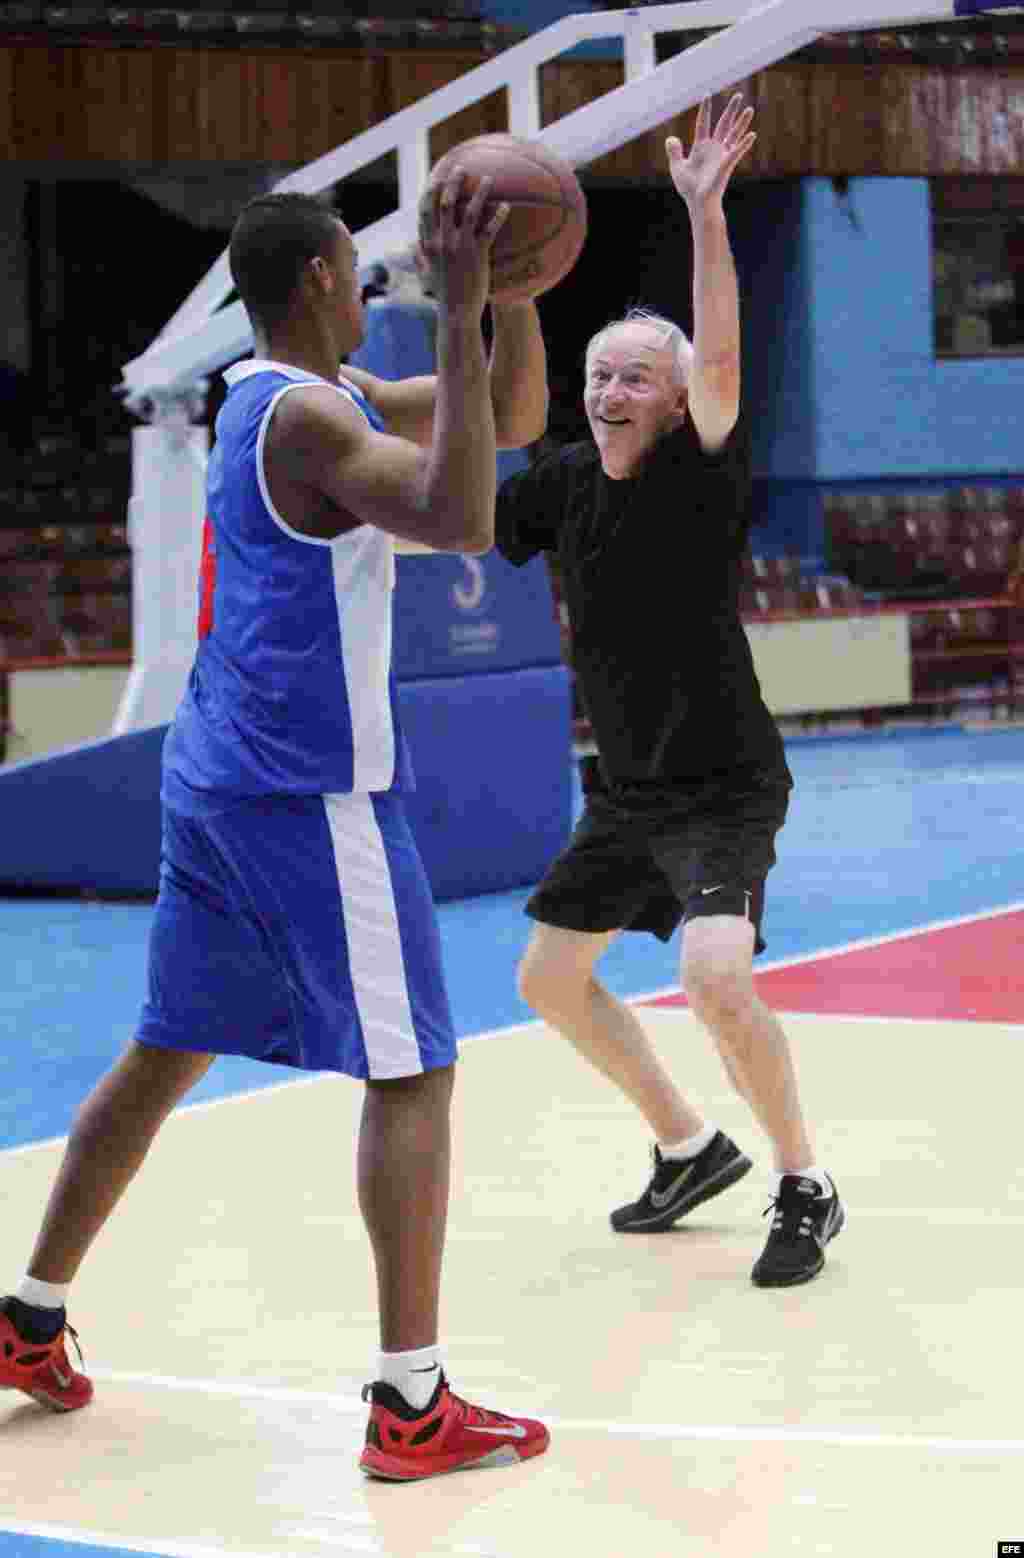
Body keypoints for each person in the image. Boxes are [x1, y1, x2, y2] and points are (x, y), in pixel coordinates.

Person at [0, 182, 552, 1480]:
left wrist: (511, 301)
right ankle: (412, 1403)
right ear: (311, 281)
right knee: (413, 1069)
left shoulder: (306, 400)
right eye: (356, 269)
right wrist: (467, 306)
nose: (372, 286)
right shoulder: (306, 419)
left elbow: (511, 420)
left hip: (216, 776)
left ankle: (29, 1314)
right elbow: (462, 514)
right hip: (306, 791)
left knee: (164, 1051)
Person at [495, 96, 845, 1288]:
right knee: (547, 978)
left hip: (723, 784)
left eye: (637, 376)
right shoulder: (557, 484)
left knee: (712, 970)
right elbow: (456, 518)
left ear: (678, 395)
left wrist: (703, 211)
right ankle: (688, 1146)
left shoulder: (700, 473)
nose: (609, 390)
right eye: (600, 372)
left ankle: (805, 1179)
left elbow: (724, 352)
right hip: (629, 789)